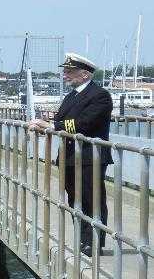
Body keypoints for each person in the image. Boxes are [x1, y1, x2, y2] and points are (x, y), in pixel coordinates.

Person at [28, 52, 113, 257]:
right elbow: (60, 118)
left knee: (91, 199)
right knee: (75, 199)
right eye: (65, 71)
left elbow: (84, 124)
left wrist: (51, 125)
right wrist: (45, 126)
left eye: (69, 71)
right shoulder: (72, 95)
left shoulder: (99, 95)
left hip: (89, 157)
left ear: (85, 74)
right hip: (68, 156)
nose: (65, 75)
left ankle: (93, 242)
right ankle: (82, 238)